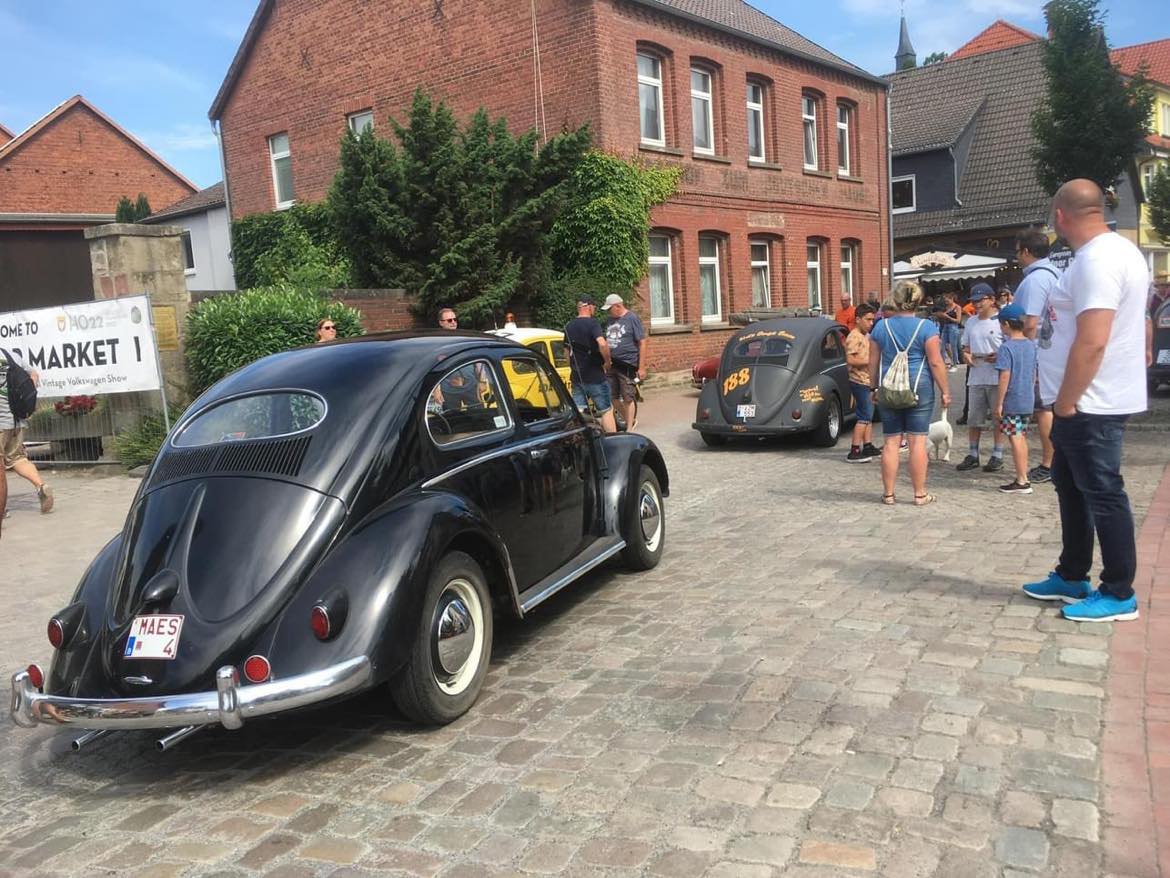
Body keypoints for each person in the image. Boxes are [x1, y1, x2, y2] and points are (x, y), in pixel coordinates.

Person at [1021, 179, 1149, 623]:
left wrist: (1068, 402)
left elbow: (1093, 340)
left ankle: (1118, 592)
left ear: (1060, 216)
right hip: (1081, 400)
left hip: (1089, 402)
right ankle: (1072, 573)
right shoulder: (1114, 253)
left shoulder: (1099, 260)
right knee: (1070, 485)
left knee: (1102, 491)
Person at [868, 280, 951, 505]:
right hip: (919, 388)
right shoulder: (926, 327)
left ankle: (888, 494)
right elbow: (935, 362)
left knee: (891, 442)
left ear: (894, 299)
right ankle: (919, 494)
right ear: (918, 301)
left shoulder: (880, 327)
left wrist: (873, 388)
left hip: (889, 388)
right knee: (917, 442)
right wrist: (945, 390)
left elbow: (873, 361)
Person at [1014, 227, 1062, 484]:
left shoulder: (1034, 280)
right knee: (1051, 407)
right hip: (1053, 351)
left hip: (1038, 353)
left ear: (1027, 251)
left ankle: (1049, 462)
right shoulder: (1056, 274)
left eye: (1017, 252)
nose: (1016, 257)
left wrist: (1024, 356)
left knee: (1043, 409)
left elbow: (1030, 323)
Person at [955, 283, 1005, 474]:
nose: (976, 304)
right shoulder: (971, 322)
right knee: (973, 418)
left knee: (997, 418)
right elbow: (965, 347)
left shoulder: (1001, 321)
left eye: (980, 300)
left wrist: (1000, 355)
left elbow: (1011, 345)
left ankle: (997, 454)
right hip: (976, 374)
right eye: (974, 301)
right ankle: (973, 454)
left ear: (991, 299)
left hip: (996, 375)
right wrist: (966, 355)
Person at [0, 349, 53, 517]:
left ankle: (1, 509)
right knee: (18, 459)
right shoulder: (10, 355)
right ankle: (41, 486)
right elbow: (34, 376)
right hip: (16, 421)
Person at [993, 303, 1038, 495]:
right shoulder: (1030, 345)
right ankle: (1023, 476)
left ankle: (1022, 479)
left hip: (1012, 399)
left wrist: (999, 402)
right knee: (1021, 436)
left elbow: (1005, 375)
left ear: (1006, 325)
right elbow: (1034, 373)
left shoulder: (1006, 348)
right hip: (1027, 397)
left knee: (1015, 437)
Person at [564, 296, 616, 433]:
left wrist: (572, 367)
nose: (595, 310)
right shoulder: (593, 324)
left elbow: (566, 351)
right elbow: (602, 343)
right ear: (589, 307)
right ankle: (613, 443)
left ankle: (580, 442)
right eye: (594, 307)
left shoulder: (569, 326)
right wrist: (607, 362)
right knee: (606, 411)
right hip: (595, 376)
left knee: (579, 412)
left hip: (577, 377)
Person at [602, 293, 647, 432]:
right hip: (611, 364)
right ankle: (630, 420)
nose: (609, 312)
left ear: (618, 306)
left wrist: (641, 367)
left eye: (610, 309)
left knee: (628, 396)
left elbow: (642, 343)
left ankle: (629, 428)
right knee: (612, 397)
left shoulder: (632, 318)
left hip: (627, 364)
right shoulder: (609, 320)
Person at [845, 303, 880, 462]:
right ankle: (854, 450)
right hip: (859, 381)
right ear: (858, 319)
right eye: (868, 320)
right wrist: (870, 361)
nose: (871, 323)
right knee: (864, 416)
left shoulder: (865, 335)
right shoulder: (853, 336)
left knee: (869, 415)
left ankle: (867, 445)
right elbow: (850, 359)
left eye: (873, 320)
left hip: (868, 380)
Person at [937, 291, 963, 370]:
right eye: (945, 301)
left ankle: (955, 363)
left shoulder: (957, 307)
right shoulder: (946, 307)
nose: (946, 302)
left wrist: (947, 317)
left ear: (952, 299)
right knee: (942, 345)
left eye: (947, 300)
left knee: (953, 346)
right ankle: (943, 363)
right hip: (945, 326)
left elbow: (958, 320)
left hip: (953, 327)